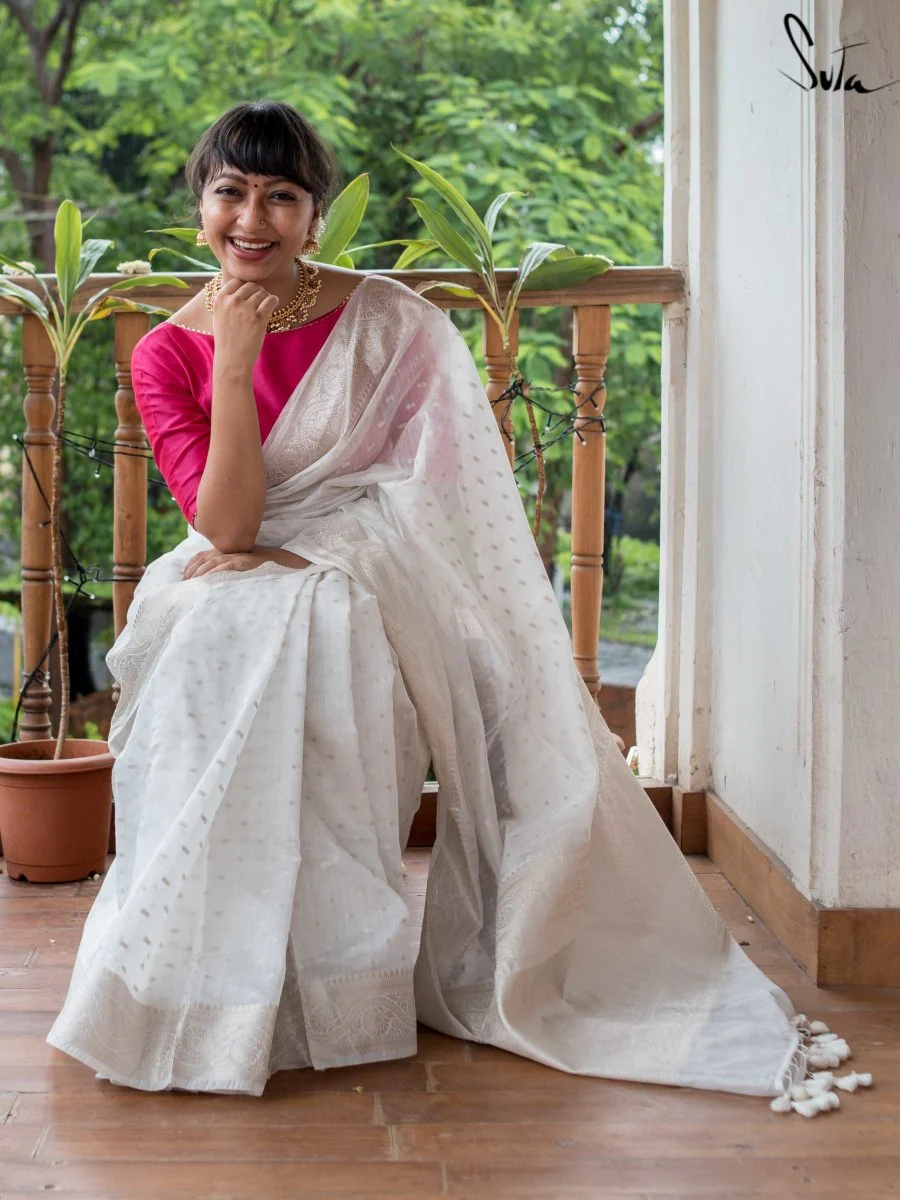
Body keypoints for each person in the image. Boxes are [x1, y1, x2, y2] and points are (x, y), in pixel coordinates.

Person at [45, 100, 852, 1113]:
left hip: (376, 564)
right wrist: (239, 364)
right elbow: (233, 530)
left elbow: (437, 495)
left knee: (326, 627)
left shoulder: (387, 319)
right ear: (199, 203)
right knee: (214, 632)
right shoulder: (169, 352)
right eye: (231, 192)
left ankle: (333, 994)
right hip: (239, 557)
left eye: (282, 196)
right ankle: (199, 986)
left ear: (315, 211)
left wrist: (337, 546)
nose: (253, 218)